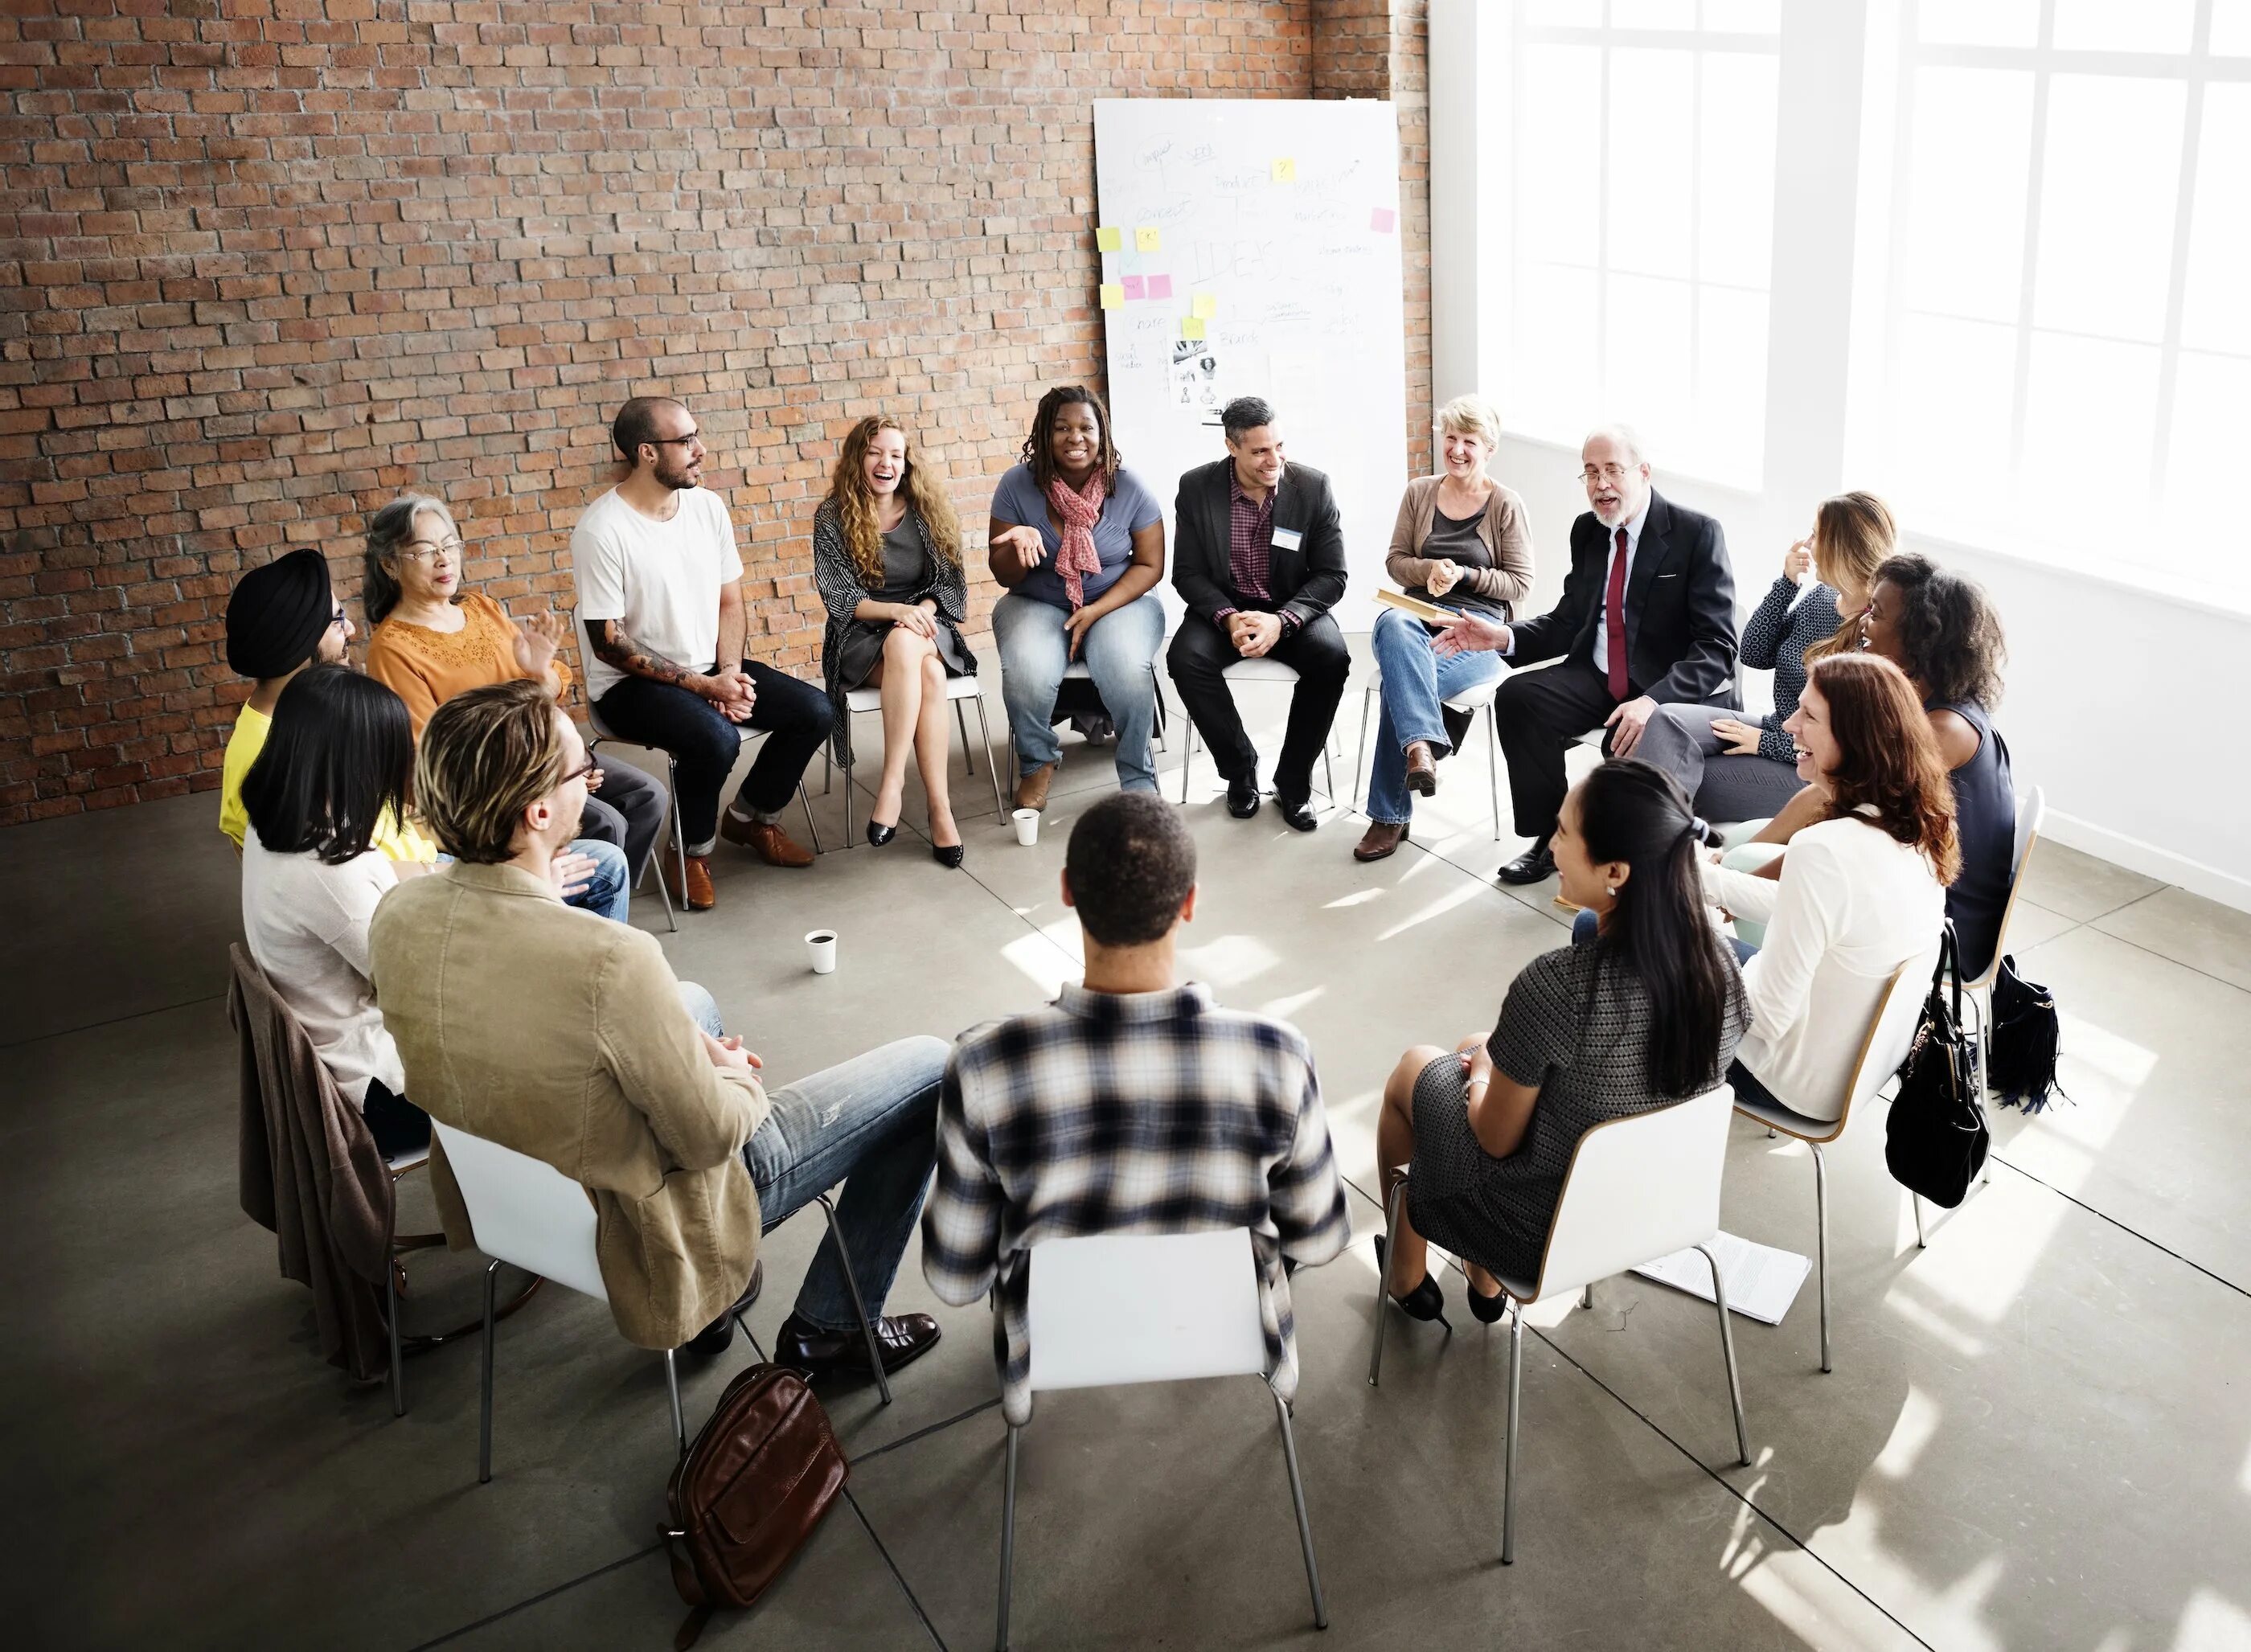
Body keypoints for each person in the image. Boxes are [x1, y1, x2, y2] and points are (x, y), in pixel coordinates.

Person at [370, 680, 947, 1372]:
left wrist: (550, 908)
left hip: (516, 1198)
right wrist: (729, 1076)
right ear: (538, 809)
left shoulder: (399, 914)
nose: (597, 771)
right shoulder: (612, 959)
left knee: (691, 998)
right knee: (934, 1065)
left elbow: (529, 992)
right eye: (582, 761)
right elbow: (708, 1135)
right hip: (640, 1216)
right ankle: (834, 1325)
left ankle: (712, 1311)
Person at [921, 791, 1351, 1426]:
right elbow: (1315, 1238)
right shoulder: (1278, 1055)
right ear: (1190, 902)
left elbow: (956, 1277)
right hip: (1229, 1335)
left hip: (1052, 1349)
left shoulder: (985, 1065)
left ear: (1067, 891)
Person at [1372, 760, 1747, 1320]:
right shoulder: (1721, 964)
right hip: (1652, 1207)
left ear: (1616, 870)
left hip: (1536, 1228)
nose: (1550, 846)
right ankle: (1481, 1280)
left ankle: (1407, 1274)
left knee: (1415, 1067)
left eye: (1565, 834)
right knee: (1478, 1040)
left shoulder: (1559, 987)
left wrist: (1478, 1073)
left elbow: (1495, 1141)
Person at [1433, 425, 1738, 883]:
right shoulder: (1589, 532)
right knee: (1520, 697)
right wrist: (1500, 637)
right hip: (1600, 675)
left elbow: (1717, 647)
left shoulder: (1696, 534)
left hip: (1664, 690)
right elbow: (1568, 620)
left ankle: (1633, 864)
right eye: (1591, 473)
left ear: (1644, 473)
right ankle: (1554, 839)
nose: (1601, 485)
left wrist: (1652, 701)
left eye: (1613, 471)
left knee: (1634, 767)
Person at [571, 396, 826, 912]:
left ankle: (752, 819)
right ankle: (690, 852)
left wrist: (728, 674)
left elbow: (730, 601)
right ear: (647, 452)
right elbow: (610, 643)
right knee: (715, 738)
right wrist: (704, 689)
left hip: (710, 667)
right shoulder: (602, 531)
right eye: (685, 441)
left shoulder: (707, 507)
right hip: (629, 686)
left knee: (815, 710)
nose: (700, 450)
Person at [359, 491, 640, 921]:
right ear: (390, 564)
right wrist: (556, 777)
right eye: (424, 550)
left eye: (450, 544)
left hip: (545, 749)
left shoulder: (483, 610)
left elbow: (547, 691)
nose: (443, 559)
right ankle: (558, 915)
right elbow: (432, 754)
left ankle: (591, 905)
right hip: (493, 783)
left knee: (645, 797)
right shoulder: (393, 648)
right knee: (606, 825)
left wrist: (541, 672)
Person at [1704, 654, 1956, 1121]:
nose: (1789, 725)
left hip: (1787, 1081)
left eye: (1809, 716)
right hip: (1859, 1069)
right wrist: (1707, 881)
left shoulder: (1823, 850)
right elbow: (1808, 910)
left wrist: (1710, 946)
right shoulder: (1918, 826)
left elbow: (1767, 1015)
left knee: (1603, 929)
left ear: (1856, 739)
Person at [238, 666, 432, 1161]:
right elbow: (426, 989)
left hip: (342, 1052)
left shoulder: (278, 819)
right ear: (357, 762)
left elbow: (384, 885)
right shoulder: (329, 873)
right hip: (380, 1094)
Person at [1630, 491, 1892, 828]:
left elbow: (1847, 747)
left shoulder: (1876, 629)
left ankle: (1638, 857)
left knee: (1672, 771)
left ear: (1842, 546)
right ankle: (1637, 850)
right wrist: (1787, 583)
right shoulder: (1824, 598)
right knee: (1666, 722)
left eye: (1816, 535)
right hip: (1779, 728)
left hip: (1811, 772)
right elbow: (1753, 651)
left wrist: (1764, 743)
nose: (1808, 544)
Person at [1356, 394, 1538, 861]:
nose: (1457, 449)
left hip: (1478, 631)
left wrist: (1466, 575)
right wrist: (1430, 570)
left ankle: (1390, 813)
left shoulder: (1506, 505)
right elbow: (1396, 562)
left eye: (1469, 441)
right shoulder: (1420, 492)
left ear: (1489, 448)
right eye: (1450, 438)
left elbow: (1520, 583)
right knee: (1395, 624)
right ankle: (1422, 748)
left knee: (1403, 682)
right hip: (1414, 617)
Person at [1167, 396, 1351, 832]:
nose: (1276, 460)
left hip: (1291, 608)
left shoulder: (1313, 487)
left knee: (1333, 659)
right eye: (1261, 451)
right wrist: (1229, 618)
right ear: (1232, 447)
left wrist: (1282, 621)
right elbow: (1187, 573)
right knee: (1184, 660)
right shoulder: (1197, 487)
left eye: (1280, 446)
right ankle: (1240, 769)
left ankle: (1293, 781)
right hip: (1225, 606)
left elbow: (1332, 575)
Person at [987, 384, 1167, 810]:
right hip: (1037, 599)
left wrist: (1096, 611)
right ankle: (1037, 762)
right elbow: (1002, 574)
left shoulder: (1128, 487)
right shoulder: (1017, 485)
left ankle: (1138, 775)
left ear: (1101, 433)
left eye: (1086, 427)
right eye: (1062, 427)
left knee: (1126, 666)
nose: (1075, 437)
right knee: (1027, 670)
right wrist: (1015, 544)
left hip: (1119, 599)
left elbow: (1150, 565)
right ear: (1044, 434)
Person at [813, 415, 978, 866]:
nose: (886, 463)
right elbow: (840, 596)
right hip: (863, 634)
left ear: (906, 464)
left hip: (926, 625)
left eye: (896, 455)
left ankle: (894, 788)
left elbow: (951, 585)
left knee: (910, 645)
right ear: (857, 459)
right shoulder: (833, 516)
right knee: (927, 673)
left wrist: (919, 613)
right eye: (874, 452)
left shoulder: (926, 510)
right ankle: (938, 810)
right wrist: (896, 612)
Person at [219, 547, 436, 868]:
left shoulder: (294, 722)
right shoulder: (273, 760)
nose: (352, 630)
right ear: (296, 641)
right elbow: (353, 875)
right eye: (337, 622)